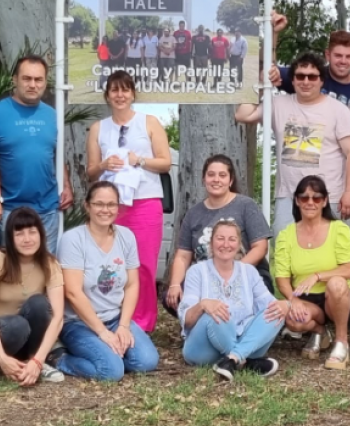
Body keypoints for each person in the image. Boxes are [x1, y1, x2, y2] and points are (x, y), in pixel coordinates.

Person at [235, 52, 350, 235]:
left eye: (312, 76)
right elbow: (243, 114)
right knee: (285, 251)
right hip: (289, 197)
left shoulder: (339, 110)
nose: (306, 81)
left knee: (329, 255)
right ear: (292, 80)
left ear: (321, 80)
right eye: (300, 76)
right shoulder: (278, 104)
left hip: (329, 196)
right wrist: (261, 86)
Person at [86, 71, 171, 332]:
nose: (120, 95)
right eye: (114, 90)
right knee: (112, 264)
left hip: (145, 203)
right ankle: (111, 319)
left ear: (133, 94)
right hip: (111, 206)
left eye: (125, 90)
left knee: (144, 264)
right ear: (107, 95)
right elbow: (90, 173)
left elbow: (165, 162)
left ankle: (142, 324)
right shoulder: (98, 128)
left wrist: (140, 161)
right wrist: (103, 164)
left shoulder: (150, 122)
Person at [52, 182, 160, 381]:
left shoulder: (126, 236)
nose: (105, 210)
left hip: (114, 318)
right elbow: (73, 293)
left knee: (147, 362)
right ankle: (60, 359)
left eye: (111, 204)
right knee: (111, 372)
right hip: (79, 324)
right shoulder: (73, 240)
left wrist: (124, 326)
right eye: (99, 204)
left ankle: (110, 357)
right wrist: (102, 332)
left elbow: (132, 284)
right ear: (87, 206)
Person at [0, 207, 66, 387]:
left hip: (29, 340)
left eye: (32, 232)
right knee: (17, 325)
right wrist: (1, 357)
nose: (27, 239)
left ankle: (32, 361)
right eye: (19, 233)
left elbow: (58, 317)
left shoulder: (50, 263)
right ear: (10, 238)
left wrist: (38, 360)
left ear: (41, 234)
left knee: (39, 303)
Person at [178, 220, 289, 381]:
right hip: (203, 350)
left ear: (239, 245)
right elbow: (186, 320)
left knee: (276, 312)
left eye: (231, 239)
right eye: (220, 238)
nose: (226, 244)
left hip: (244, 340)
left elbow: (269, 304)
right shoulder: (197, 271)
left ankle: (232, 359)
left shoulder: (249, 271)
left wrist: (286, 305)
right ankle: (247, 361)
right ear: (211, 242)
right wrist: (203, 305)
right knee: (217, 311)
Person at [163, 155, 273, 317]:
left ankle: (246, 332)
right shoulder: (193, 214)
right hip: (207, 277)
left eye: (222, 175)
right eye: (211, 174)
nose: (216, 179)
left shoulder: (246, 205)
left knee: (260, 305)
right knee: (172, 297)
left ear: (230, 180)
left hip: (247, 273)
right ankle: (202, 331)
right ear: (204, 179)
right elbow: (183, 256)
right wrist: (174, 284)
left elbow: (260, 247)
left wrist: (235, 274)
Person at [0, 55, 74, 256]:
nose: (33, 85)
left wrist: (66, 184)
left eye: (38, 79)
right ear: (14, 80)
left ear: (45, 82)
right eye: (27, 79)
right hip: (9, 209)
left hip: (48, 209)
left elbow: (55, 153)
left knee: (45, 270)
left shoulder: (52, 115)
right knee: (13, 273)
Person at [273, 176, 350, 369]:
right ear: (296, 201)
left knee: (336, 282)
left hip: (335, 297)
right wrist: (293, 300)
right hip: (306, 299)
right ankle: (320, 331)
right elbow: (282, 277)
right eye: (304, 198)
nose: (310, 202)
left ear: (325, 201)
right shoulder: (286, 235)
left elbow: (349, 270)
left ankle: (341, 342)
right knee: (292, 320)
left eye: (316, 198)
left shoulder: (339, 229)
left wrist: (318, 275)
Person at [269, 12, 350, 126]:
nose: (343, 61)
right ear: (328, 55)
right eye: (338, 55)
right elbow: (269, 70)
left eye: (348, 56)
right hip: (305, 139)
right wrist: (273, 33)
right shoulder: (309, 76)